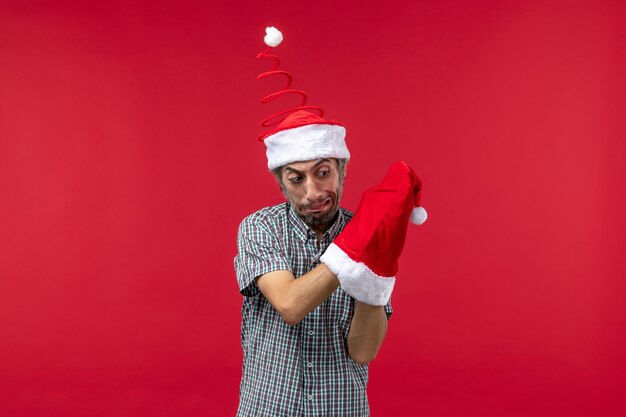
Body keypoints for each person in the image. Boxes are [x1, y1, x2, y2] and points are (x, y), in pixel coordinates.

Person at [234, 27, 426, 416]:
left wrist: (376, 268)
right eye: (296, 178)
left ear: (342, 171)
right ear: (280, 182)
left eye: (323, 173)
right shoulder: (259, 228)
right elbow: (289, 303)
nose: (312, 191)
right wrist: (356, 246)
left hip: (341, 407)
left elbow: (364, 350)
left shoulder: (369, 231)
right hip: (268, 407)